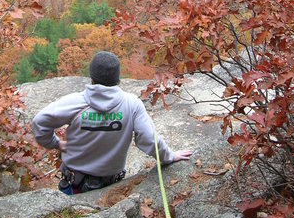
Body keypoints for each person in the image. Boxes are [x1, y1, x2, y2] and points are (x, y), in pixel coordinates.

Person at [32, 51, 192, 194]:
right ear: (117, 78)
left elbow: (40, 123)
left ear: (92, 76)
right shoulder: (132, 104)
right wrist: (169, 156)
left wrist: (56, 143)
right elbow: (149, 138)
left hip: (74, 184)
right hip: (113, 186)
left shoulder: (74, 102)